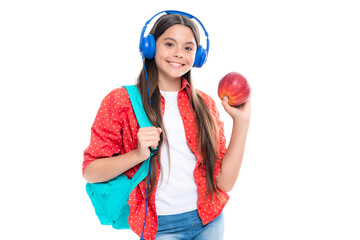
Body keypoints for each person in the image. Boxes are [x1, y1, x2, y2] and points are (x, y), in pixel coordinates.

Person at [82, 11, 251, 240]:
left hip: (209, 220)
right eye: (169, 44)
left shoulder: (206, 105)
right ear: (150, 47)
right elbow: (91, 172)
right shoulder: (121, 101)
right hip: (160, 228)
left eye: (188, 48)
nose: (178, 54)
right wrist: (137, 154)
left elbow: (224, 183)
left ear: (198, 56)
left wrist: (242, 122)